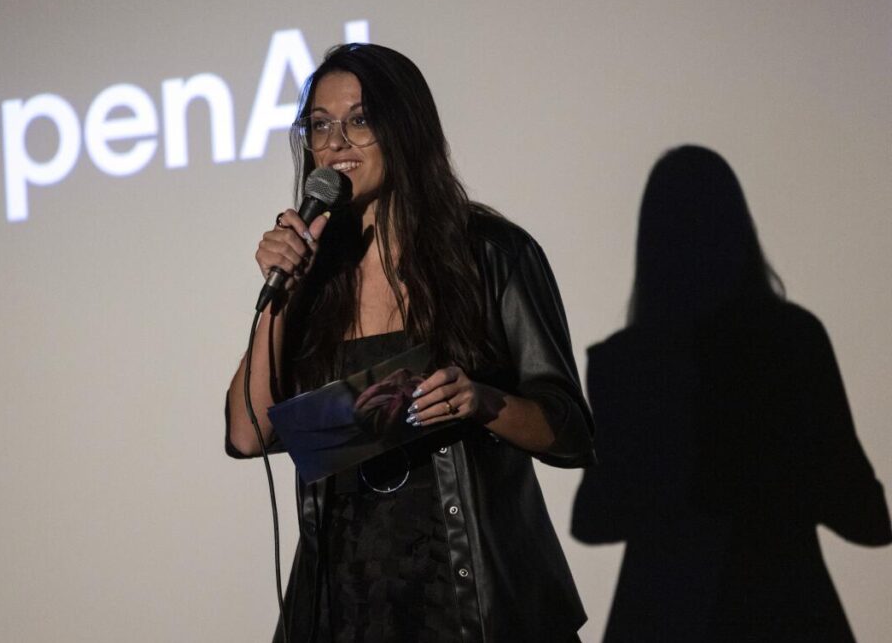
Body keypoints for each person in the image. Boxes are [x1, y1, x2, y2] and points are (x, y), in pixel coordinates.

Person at [226, 43, 595, 643]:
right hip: (346, 610)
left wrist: (483, 401)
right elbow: (248, 435)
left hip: (477, 609)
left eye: (360, 120)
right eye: (320, 125)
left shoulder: (492, 254)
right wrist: (284, 298)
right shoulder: (315, 279)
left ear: (406, 129)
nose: (336, 141)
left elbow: (571, 433)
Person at [571, 145, 892, 642]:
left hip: (661, 615)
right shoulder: (794, 341)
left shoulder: (626, 361)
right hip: (785, 611)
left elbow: (594, 518)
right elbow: (865, 515)